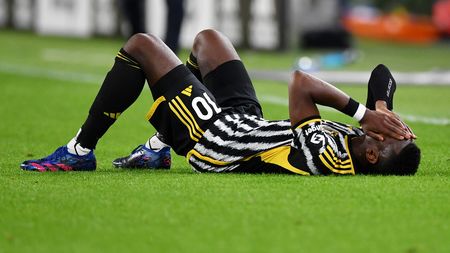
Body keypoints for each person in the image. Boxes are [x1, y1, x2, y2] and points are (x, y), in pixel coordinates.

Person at [20, 29, 420, 175]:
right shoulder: (368, 142)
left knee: (141, 45)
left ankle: (79, 151)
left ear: (373, 154)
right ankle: (157, 149)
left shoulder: (328, 156)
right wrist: (383, 111)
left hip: (215, 139)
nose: (386, 132)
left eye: (389, 137)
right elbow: (382, 73)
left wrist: (365, 112)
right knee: (209, 40)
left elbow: (301, 83)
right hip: (248, 122)